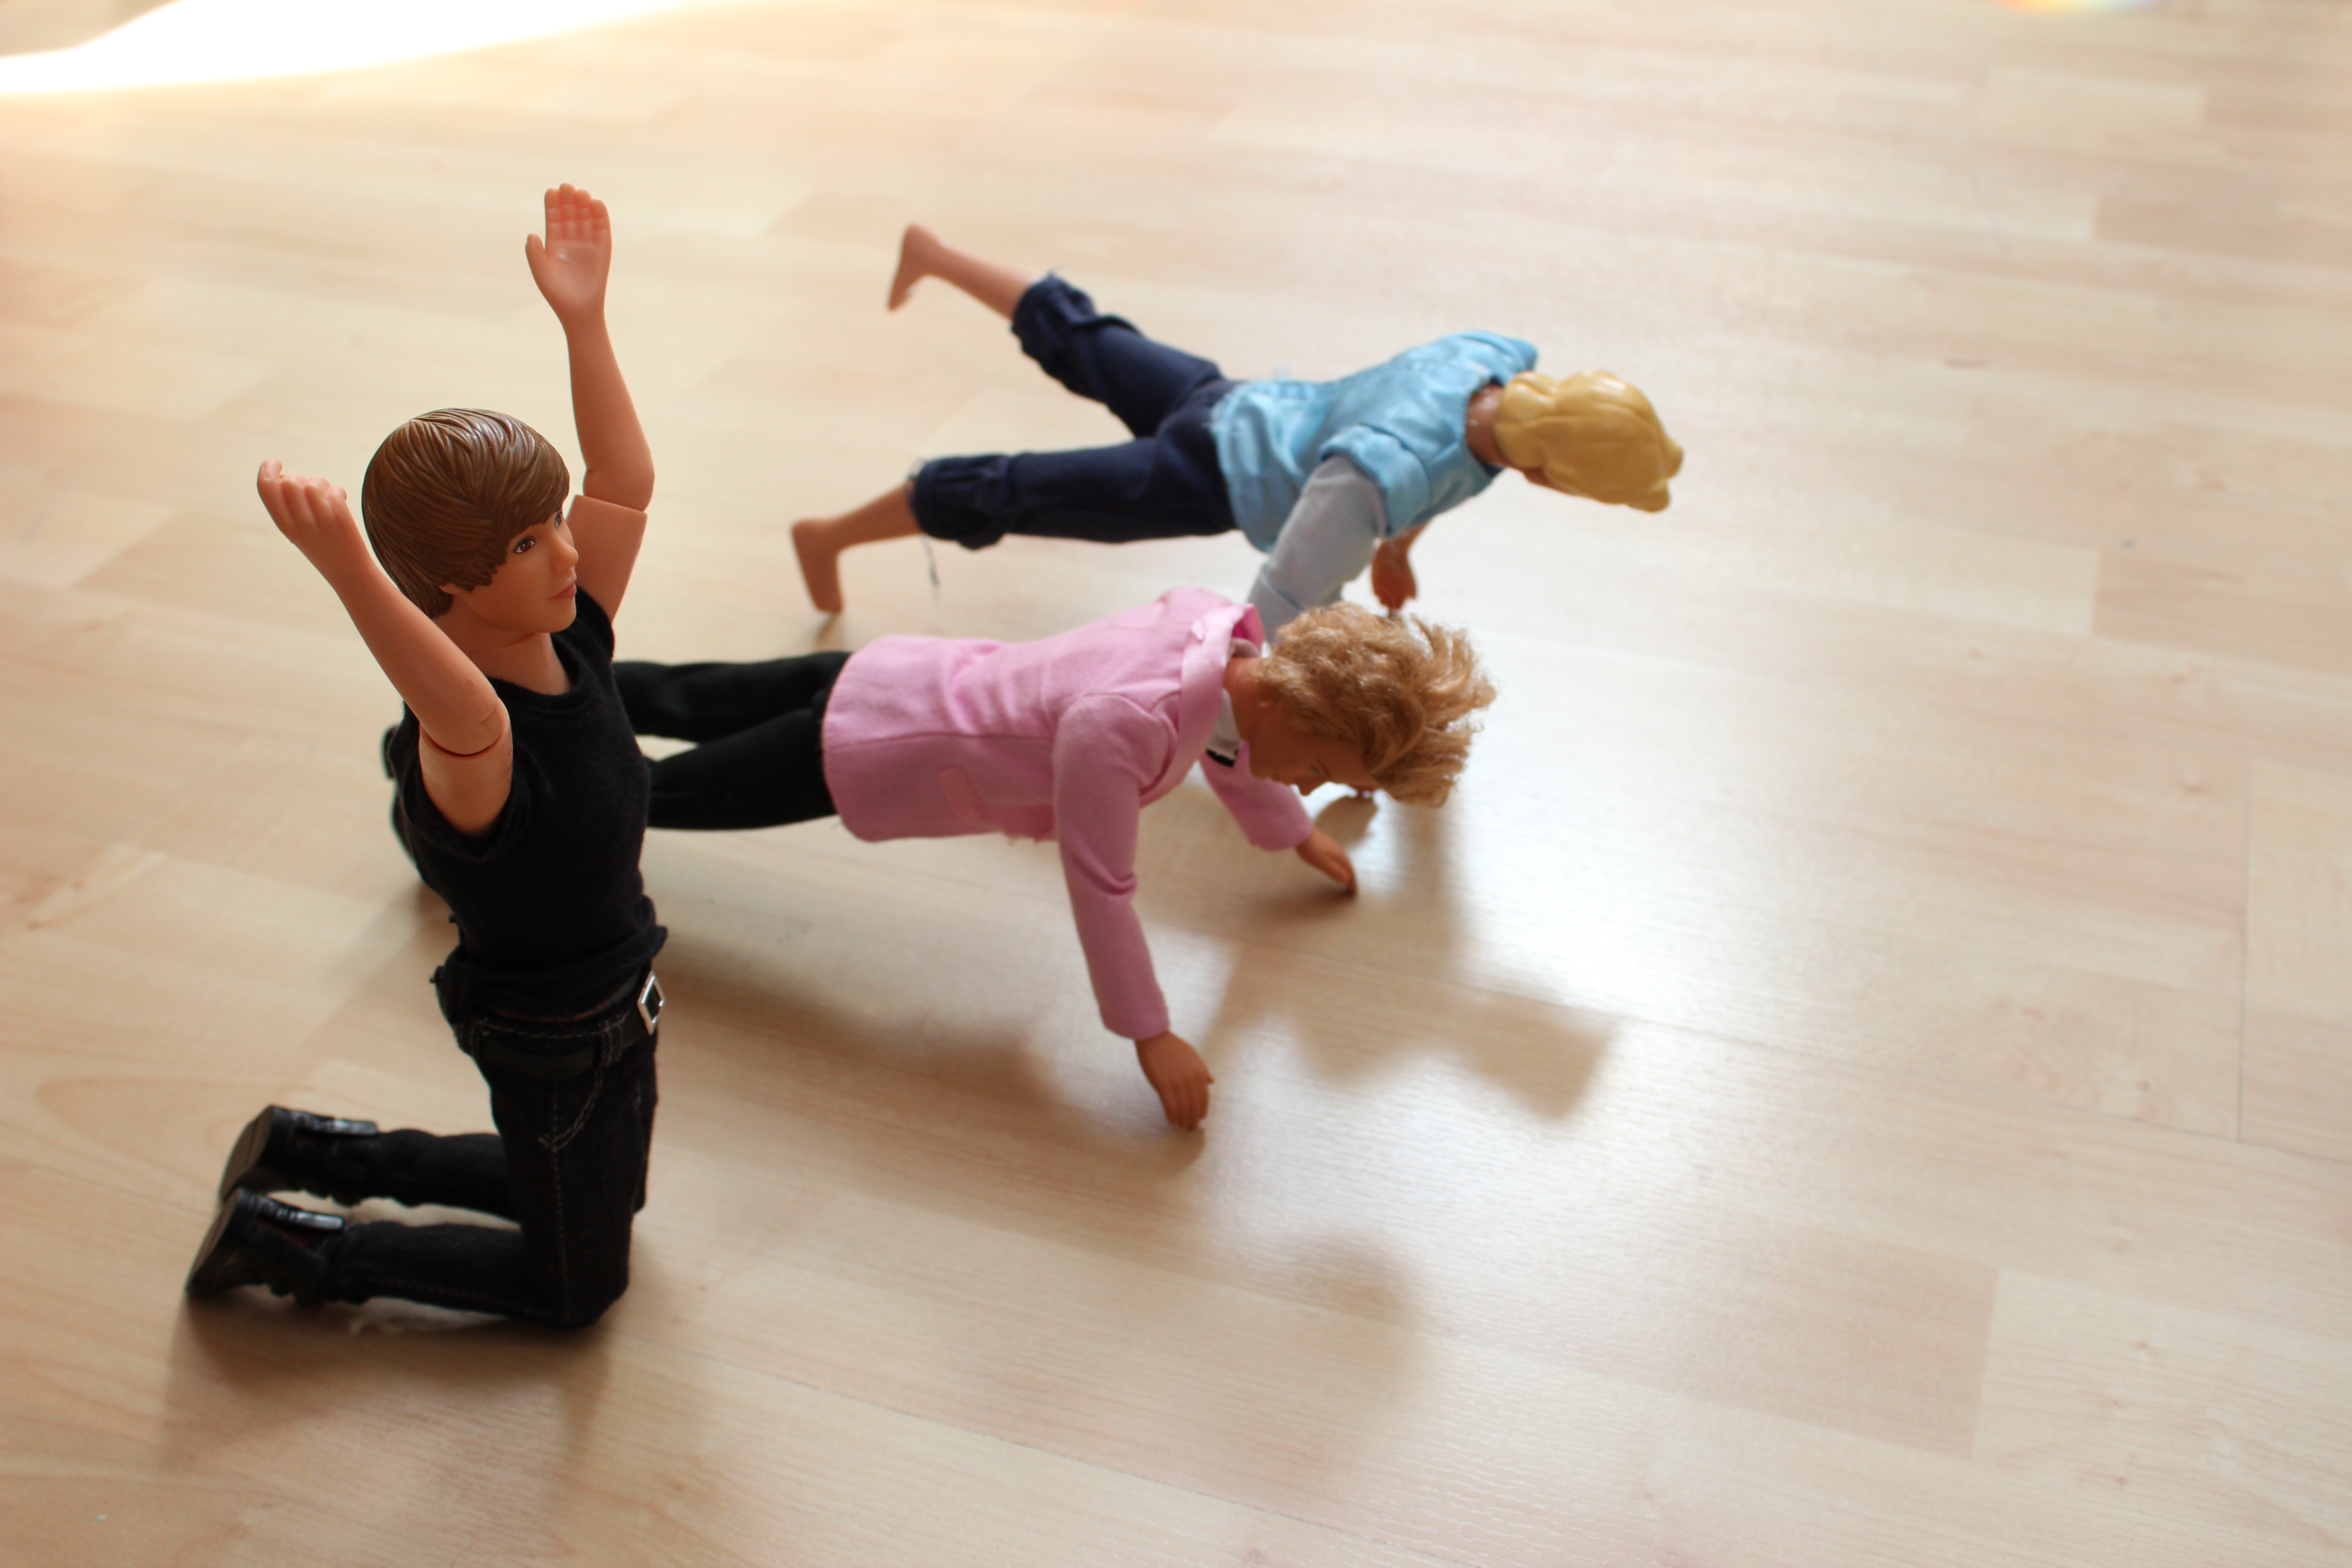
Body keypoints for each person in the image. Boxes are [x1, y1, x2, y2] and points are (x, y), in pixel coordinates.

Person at [186, 185, 666, 1328]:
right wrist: (352, 569)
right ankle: (295, 1246)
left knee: (604, 1192)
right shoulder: (469, 747)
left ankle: (317, 1149)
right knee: (579, 1288)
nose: (566, 553)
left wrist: (585, 324)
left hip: (622, 1001)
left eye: (554, 523)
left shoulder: (571, 633)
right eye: (527, 542)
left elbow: (624, 486)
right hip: (552, 1039)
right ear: (450, 582)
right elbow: (464, 710)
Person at [613, 593, 1495, 1129]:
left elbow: (1228, 747)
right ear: (1297, 710)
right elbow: (1102, 883)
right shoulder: (1125, 728)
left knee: (683, 692)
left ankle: (551, 680)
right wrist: (1151, 1032)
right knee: (643, 797)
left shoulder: (1217, 631)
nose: (1307, 785)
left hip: (891, 673)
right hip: (877, 745)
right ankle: (529, 809)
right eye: (1320, 769)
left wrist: (1288, 833)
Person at [789, 224, 1683, 630]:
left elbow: (1433, 470)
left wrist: (1396, 546)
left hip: (1230, 401)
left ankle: (939, 255)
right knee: (1019, 491)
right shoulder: (1381, 475)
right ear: (1549, 475)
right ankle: (828, 534)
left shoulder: (1489, 360)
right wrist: (1264, 709)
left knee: (1087, 337)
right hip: (1201, 479)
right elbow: (1287, 594)